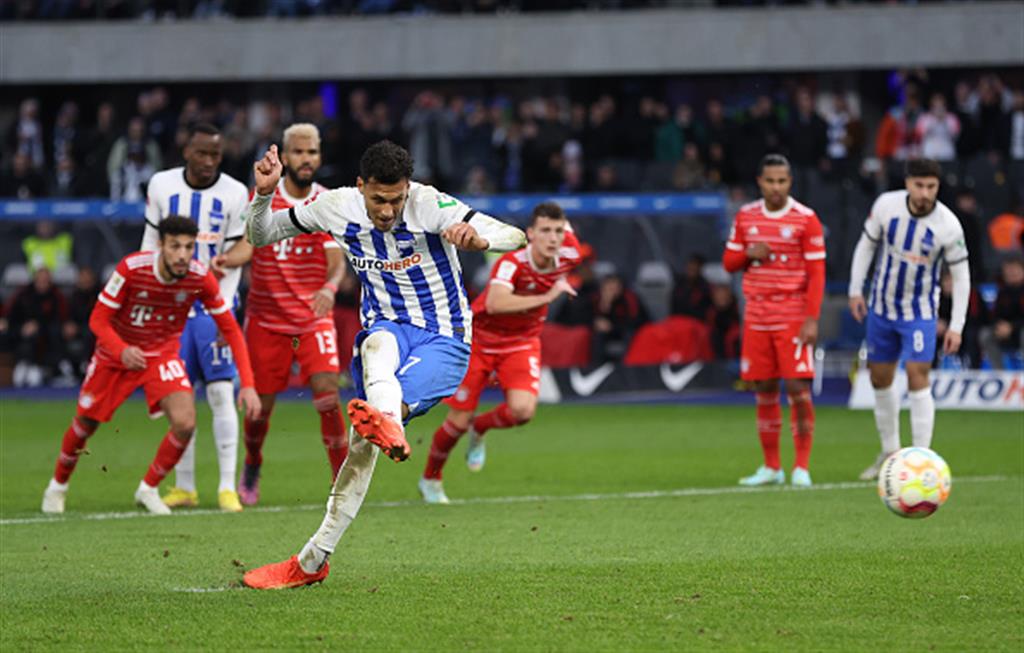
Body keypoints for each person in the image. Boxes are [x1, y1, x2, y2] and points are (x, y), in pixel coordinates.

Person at [240, 139, 526, 589]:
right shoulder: (335, 206)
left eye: (396, 199)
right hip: (387, 330)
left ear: (407, 189)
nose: (388, 210)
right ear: (361, 187)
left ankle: (384, 421)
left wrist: (481, 239)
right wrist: (263, 194)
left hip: (443, 340)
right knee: (373, 362)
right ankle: (313, 559)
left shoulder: (430, 203)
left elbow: (517, 236)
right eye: (378, 200)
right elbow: (260, 235)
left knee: (365, 428)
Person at [40, 217, 260, 515]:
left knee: (185, 422)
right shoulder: (132, 269)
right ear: (161, 246)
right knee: (85, 424)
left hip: (161, 354)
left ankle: (148, 488)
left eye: (188, 247)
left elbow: (231, 330)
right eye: (175, 247)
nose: (183, 254)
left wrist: (247, 384)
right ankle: (57, 487)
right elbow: (98, 319)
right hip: (115, 355)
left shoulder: (198, 276)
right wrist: (122, 349)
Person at [419, 201, 581, 504]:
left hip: (521, 342)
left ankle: (481, 428)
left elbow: (566, 232)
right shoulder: (512, 263)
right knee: (456, 422)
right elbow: (495, 303)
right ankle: (431, 479)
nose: (553, 238)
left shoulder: (570, 253)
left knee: (523, 412)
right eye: (545, 231)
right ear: (530, 234)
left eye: (558, 231)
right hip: (480, 340)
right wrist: (548, 295)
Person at [140, 123, 251, 512]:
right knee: (179, 397)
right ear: (186, 150)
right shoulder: (160, 185)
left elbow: (242, 250)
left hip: (213, 306)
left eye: (215, 155)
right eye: (201, 153)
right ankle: (185, 487)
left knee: (221, 392)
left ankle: (226, 488)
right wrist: (149, 303)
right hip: (171, 310)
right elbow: (149, 245)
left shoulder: (236, 193)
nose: (208, 162)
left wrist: (224, 289)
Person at [236, 124, 350, 504]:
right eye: (299, 152)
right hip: (266, 321)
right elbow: (248, 245)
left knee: (328, 395)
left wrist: (330, 286)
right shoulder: (264, 196)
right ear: (284, 157)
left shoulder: (327, 201)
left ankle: (342, 482)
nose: (306, 159)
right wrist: (221, 265)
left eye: (313, 152)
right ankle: (252, 463)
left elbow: (337, 262)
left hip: (312, 316)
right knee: (259, 410)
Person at [849, 158, 970, 480]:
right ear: (907, 183)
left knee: (918, 373)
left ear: (938, 188)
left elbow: (961, 277)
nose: (925, 193)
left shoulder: (948, 224)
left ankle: (921, 460)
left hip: (919, 312)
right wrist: (854, 290)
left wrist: (956, 325)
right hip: (881, 307)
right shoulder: (886, 206)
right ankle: (890, 454)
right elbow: (866, 246)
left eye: (931, 187)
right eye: (919, 185)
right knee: (879, 378)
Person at [722, 154, 826, 488]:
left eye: (782, 181)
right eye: (770, 181)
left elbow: (817, 273)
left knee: (797, 388)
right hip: (756, 313)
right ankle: (771, 467)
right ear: (760, 182)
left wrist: (812, 318)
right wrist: (748, 254)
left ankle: (802, 467)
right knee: (764, 388)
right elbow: (728, 262)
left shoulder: (805, 219)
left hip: (792, 313)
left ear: (790, 182)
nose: (776, 187)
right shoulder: (746, 216)